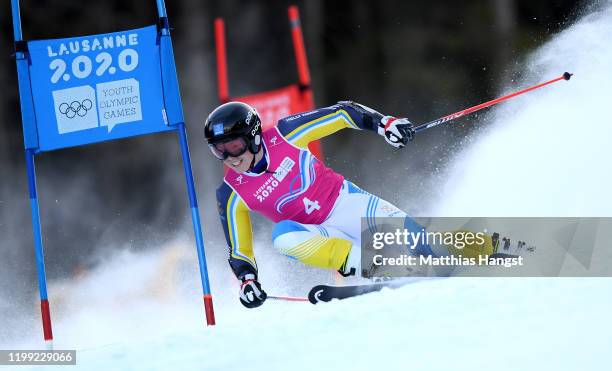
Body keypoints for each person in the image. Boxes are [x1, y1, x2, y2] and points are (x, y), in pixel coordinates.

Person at [204, 101, 488, 308]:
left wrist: (383, 124)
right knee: (283, 237)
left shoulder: (285, 134)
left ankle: (473, 252)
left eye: (234, 146)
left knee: (424, 246)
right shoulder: (230, 193)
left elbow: (343, 112)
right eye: (219, 150)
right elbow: (240, 250)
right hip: (319, 235)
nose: (230, 156)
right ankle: (374, 265)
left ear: (253, 136)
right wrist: (247, 282)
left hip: (348, 204)